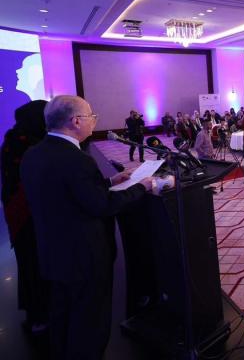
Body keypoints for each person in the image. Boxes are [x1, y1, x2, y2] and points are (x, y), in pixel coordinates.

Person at [20, 96, 154, 359]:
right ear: (76, 121)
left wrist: (109, 182)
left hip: (52, 253)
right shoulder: (77, 159)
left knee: (62, 317)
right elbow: (102, 206)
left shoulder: (34, 154)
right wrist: (142, 187)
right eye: (91, 115)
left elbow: (64, 194)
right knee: (89, 324)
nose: (94, 120)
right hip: (84, 258)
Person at [1, 100, 50, 335]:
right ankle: (39, 316)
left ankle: (36, 314)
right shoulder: (29, 143)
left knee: (29, 264)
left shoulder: (14, 138)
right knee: (34, 264)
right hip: (28, 213)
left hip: (18, 211)